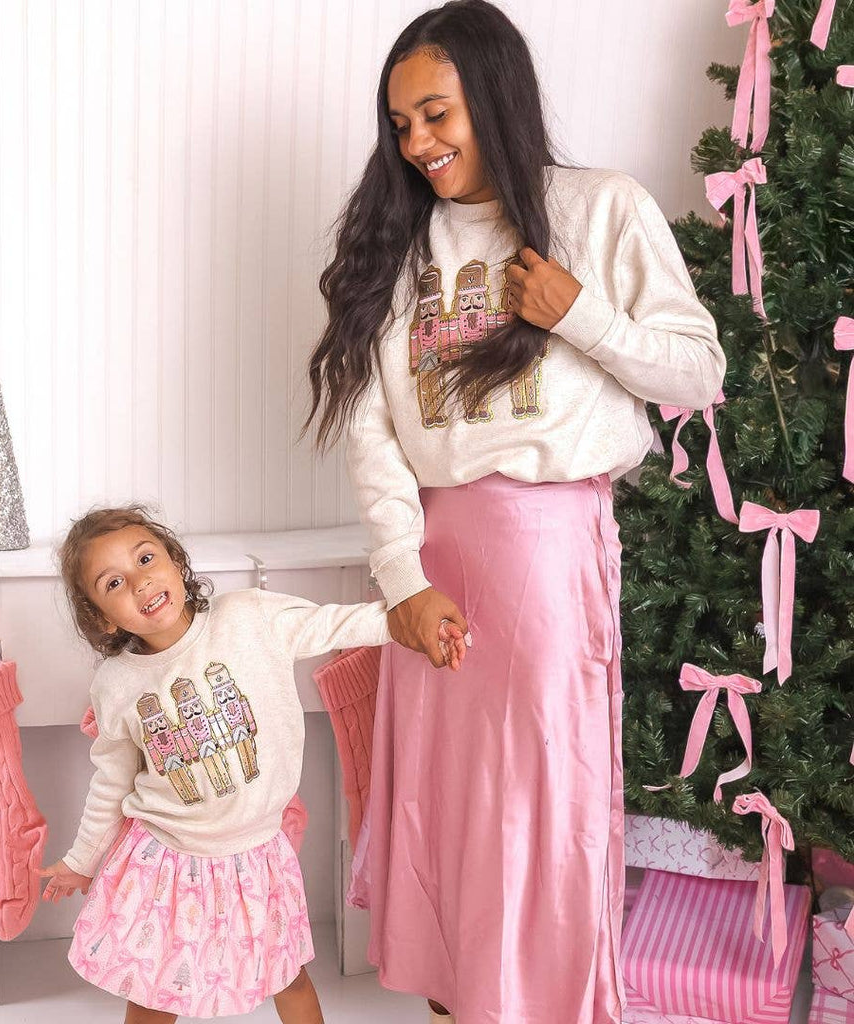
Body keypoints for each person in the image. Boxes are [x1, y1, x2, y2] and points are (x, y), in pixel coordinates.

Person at [305, 2, 726, 1022]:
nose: (418, 143)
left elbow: (697, 372)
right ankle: (458, 1003)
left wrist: (578, 312)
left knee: (540, 794)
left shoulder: (599, 208)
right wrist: (402, 580)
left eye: (436, 113)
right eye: (401, 124)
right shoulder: (400, 243)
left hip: (545, 549)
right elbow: (371, 430)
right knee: (449, 802)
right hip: (434, 552)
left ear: (494, 95)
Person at [39, 505, 465, 1023]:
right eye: (114, 583)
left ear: (175, 560)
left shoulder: (247, 617)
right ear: (102, 617)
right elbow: (110, 783)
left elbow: (330, 624)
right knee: (155, 995)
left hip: (258, 856)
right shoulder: (116, 683)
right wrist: (81, 860)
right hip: (168, 861)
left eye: (146, 559)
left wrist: (409, 624)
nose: (139, 581)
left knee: (288, 977)